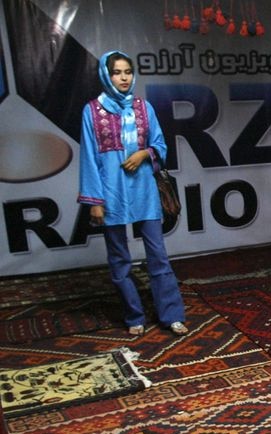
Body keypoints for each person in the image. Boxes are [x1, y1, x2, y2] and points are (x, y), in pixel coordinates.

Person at [78, 51, 188, 337]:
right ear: (106, 75)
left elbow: (161, 147)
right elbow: (88, 157)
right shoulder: (92, 111)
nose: (124, 77)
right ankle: (134, 315)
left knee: (158, 256)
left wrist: (143, 154)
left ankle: (171, 314)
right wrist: (95, 201)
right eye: (117, 72)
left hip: (143, 190)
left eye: (128, 71)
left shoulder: (144, 108)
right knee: (119, 260)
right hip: (110, 192)